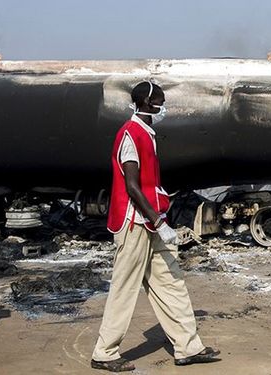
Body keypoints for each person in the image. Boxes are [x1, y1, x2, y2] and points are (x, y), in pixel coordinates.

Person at [91, 81, 219, 372]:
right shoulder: (130, 135)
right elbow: (132, 187)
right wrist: (159, 221)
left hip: (149, 222)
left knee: (171, 282)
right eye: (161, 101)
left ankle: (188, 347)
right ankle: (104, 352)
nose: (165, 106)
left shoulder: (146, 134)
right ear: (148, 104)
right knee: (125, 287)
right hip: (135, 223)